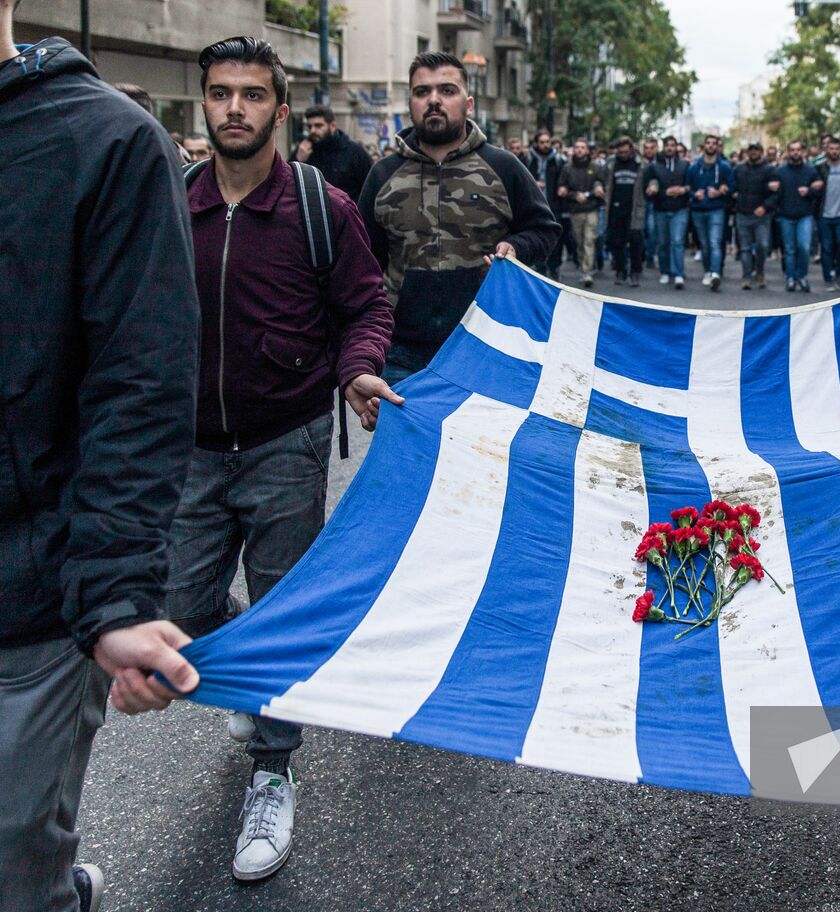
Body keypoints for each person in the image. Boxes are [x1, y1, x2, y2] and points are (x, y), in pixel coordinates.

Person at [174, 35, 400, 883]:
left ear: (280, 109)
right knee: (175, 606)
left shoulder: (319, 204)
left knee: (279, 603)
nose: (234, 108)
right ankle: (256, 675)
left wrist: (360, 370)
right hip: (186, 453)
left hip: (286, 445)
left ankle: (273, 767)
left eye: (252, 95)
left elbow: (367, 304)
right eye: (221, 93)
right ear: (205, 103)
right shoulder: (168, 200)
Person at [0, 13, 202, 912]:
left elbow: (140, 385)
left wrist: (116, 597)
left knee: (12, 861)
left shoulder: (107, 141)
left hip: (26, 611)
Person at [359, 52, 558, 381]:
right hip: (401, 352)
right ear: (410, 102)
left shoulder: (504, 167)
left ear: (468, 104)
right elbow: (363, 264)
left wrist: (515, 247)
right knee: (404, 435)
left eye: (447, 90)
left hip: (486, 345)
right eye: (422, 92)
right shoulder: (383, 175)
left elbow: (544, 229)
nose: (434, 100)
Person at [774, 139, 823, 293]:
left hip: (805, 215)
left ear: (803, 152)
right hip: (786, 215)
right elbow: (773, 193)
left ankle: (801, 275)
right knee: (789, 249)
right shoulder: (780, 171)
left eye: (798, 149)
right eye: (792, 150)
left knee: (804, 247)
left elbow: (819, 190)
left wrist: (809, 191)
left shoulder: (811, 171)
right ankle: (790, 277)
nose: (795, 152)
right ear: (788, 152)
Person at [687, 133, 734, 292]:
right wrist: (695, 194)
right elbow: (687, 187)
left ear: (718, 146)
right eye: (708, 143)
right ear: (704, 146)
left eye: (714, 143)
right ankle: (707, 271)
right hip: (698, 210)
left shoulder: (724, 167)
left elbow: (732, 186)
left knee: (715, 242)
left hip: (716, 209)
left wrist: (721, 191)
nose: (711, 146)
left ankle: (715, 272)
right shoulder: (694, 167)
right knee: (705, 244)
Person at [294, 103, 373, 197]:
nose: (312, 131)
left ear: (332, 126)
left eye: (318, 126)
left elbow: (371, 189)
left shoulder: (355, 153)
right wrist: (297, 161)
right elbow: (285, 184)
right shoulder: (304, 151)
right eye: (309, 127)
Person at [558, 136, 606, 288]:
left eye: (582, 147)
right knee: (579, 240)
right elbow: (561, 188)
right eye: (577, 147)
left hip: (592, 207)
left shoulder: (596, 167)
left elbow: (601, 185)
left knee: (589, 239)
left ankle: (587, 272)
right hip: (575, 210)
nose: (580, 150)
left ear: (587, 150)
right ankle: (582, 266)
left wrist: (594, 192)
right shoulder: (567, 168)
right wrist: (573, 195)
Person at [644, 134, 690, 289]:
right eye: (667, 145)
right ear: (663, 147)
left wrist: (683, 189)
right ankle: (665, 271)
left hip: (680, 209)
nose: (670, 148)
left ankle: (678, 273)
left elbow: (691, 186)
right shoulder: (654, 166)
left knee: (677, 241)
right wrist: (663, 192)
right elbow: (648, 188)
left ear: (676, 147)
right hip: (661, 209)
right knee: (663, 242)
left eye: (672, 145)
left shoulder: (684, 164)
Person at [732, 142, 779, 290]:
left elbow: (776, 193)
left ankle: (759, 271)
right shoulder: (739, 169)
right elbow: (733, 186)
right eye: (750, 150)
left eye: (756, 150)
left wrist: (765, 207)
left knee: (762, 245)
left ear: (761, 152)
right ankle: (746, 276)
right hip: (743, 213)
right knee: (745, 248)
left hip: (762, 215)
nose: (753, 153)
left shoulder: (769, 170)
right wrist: (733, 195)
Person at [604, 136, 646, 286]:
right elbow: (602, 179)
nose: (623, 154)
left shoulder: (641, 164)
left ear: (631, 149)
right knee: (617, 242)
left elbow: (651, 179)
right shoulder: (611, 163)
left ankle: (635, 272)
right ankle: (620, 271)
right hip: (615, 207)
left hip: (635, 208)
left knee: (636, 240)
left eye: (625, 152)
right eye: (620, 152)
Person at [814, 135, 840, 292]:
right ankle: (828, 278)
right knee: (827, 247)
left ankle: (839, 274)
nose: (834, 151)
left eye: (837, 149)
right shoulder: (819, 168)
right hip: (825, 213)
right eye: (831, 149)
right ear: (826, 150)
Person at [526, 129, 566, 278]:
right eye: (542, 142)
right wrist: (533, 183)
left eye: (547, 142)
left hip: (554, 206)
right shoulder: (528, 159)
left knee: (556, 239)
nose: (545, 145)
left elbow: (563, 180)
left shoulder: (558, 160)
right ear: (536, 143)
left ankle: (554, 267)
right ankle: (540, 268)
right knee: (537, 238)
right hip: (534, 206)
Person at [641, 136, 659, 268]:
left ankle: (650, 255)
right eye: (646, 148)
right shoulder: (638, 163)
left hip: (655, 202)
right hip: (640, 201)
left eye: (651, 148)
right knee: (639, 231)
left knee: (652, 230)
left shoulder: (661, 163)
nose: (648, 151)